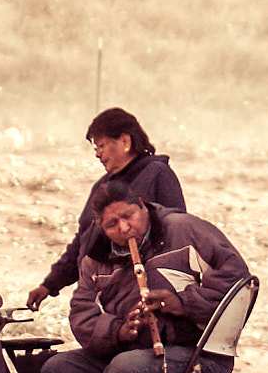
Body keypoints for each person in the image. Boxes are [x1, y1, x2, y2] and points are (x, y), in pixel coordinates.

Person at [41, 177, 250, 373]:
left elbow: (239, 284)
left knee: (126, 369)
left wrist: (182, 303)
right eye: (112, 224)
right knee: (58, 371)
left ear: (143, 206)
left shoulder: (184, 230)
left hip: (198, 356)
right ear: (100, 225)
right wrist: (120, 330)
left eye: (129, 216)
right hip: (132, 354)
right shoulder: (95, 257)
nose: (124, 229)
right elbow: (82, 315)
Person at [25, 108, 184, 312]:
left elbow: (176, 236)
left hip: (141, 293)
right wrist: (49, 284)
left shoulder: (157, 174)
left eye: (101, 146)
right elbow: (85, 240)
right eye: (95, 149)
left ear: (125, 142)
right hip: (103, 296)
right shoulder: (104, 186)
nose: (98, 154)